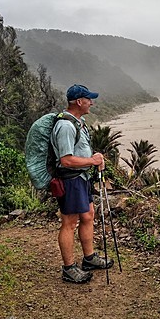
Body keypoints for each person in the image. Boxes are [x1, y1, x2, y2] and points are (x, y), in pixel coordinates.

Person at [51, 84, 113, 283]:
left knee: (88, 215)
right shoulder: (66, 127)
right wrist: (92, 161)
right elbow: (66, 160)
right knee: (69, 223)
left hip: (83, 178)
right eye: (89, 99)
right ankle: (69, 269)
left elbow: (80, 151)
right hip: (71, 179)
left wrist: (94, 158)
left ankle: (89, 258)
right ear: (79, 101)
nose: (91, 103)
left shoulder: (79, 122)